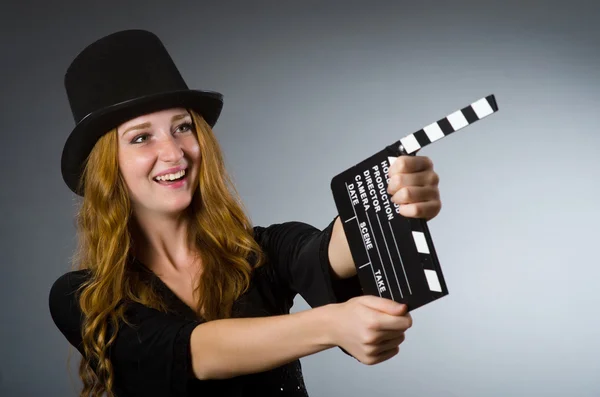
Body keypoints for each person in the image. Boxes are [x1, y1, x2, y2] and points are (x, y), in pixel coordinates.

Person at [48, 30, 443, 397]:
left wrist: (387, 200)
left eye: (182, 127)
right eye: (141, 137)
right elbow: (194, 353)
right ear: (106, 168)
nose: (174, 152)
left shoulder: (256, 252)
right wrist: (333, 324)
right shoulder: (83, 298)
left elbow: (328, 250)